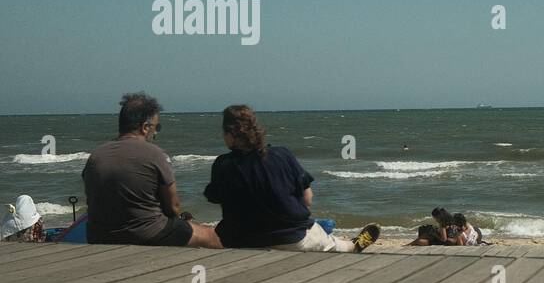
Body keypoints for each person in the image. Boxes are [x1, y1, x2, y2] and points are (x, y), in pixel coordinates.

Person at [205, 105, 379, 252]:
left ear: (230, 134)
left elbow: (215, 197)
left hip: (240, 241)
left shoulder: (223, 164)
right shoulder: (281, 155)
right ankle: (353, 245)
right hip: (290, 238)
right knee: (338, 246)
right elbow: (307, 200)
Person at [81, 93, 222, 248]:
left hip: (99, 236)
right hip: (147, 235)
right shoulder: (154, 154)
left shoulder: (96, 155)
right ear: (145, 127)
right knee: (211, 236)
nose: (155, 133)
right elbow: (174, 207)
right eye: (156, 127)